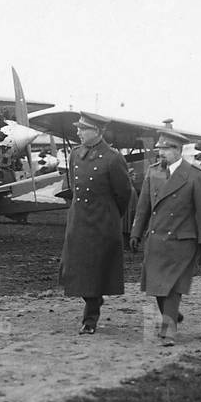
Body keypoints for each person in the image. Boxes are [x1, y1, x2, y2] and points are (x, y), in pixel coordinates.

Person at [129, 129, 201, 346]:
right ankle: (172, 314)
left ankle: (168, 331)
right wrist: (136, 232)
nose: (160, 154)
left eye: (165, 149)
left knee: (172, 287)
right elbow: (143, 206)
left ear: (177, 150)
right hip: (156, 240)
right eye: (159, 149)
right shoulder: (154, 172)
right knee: (157, 287)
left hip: (182, 241)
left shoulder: (195, 174)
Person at [59, 113, 133, 334]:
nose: (78, 132)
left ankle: (90, 318)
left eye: (83, 129)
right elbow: (73, 187)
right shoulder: (75, 155)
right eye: (78, 128)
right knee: (72, 267)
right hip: (79, 219)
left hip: (102, 221)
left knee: (95, 270)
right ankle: (94, 299)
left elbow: (124, 193)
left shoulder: (113, 158)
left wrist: (110, 215)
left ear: (98, 132)